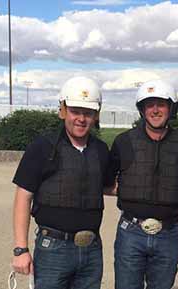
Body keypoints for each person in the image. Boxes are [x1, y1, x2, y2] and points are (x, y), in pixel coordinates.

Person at [11, 76, 113, 289]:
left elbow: (105, 187)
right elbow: (23, 197)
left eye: (88, 113)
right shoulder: (42, 147)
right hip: (52, 250)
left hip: (91, 250)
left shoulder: (101, 150)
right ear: (63, 110)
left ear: (96, 115)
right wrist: (21, 249)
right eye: (76, 111)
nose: (81, 119)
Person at [110, 79, 178, 289]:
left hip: (168, 233)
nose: (155, 110)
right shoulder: (123, 142)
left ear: (171, 108)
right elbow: (105, 181)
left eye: (161, 104)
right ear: (142, 110)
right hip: (131, 232)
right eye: (149, 105)